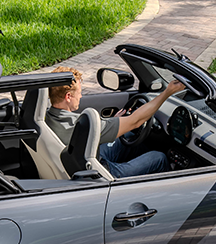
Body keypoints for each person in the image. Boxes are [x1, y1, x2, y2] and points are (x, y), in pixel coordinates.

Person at [46, 67, 187, 178]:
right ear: (68, 96)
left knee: (127, 138)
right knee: (159, 157)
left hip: (84, 159)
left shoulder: (47, 117)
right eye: (79, 92)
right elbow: (136, 121)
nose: (81, 96)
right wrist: (167, 92)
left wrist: (113, 121)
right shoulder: (81, 126)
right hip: (102, 173)